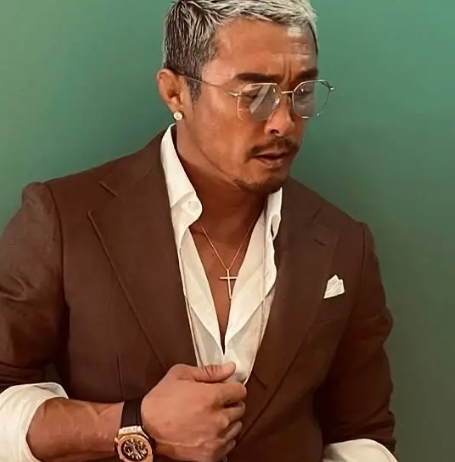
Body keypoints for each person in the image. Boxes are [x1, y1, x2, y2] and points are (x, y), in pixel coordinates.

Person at [0, 1, 398, 461]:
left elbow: (362, 432)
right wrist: (133, 424)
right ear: (175, 93)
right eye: (255, 94)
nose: (284, 123)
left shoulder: (344, 243)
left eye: (302, 92)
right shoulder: (64, 219)